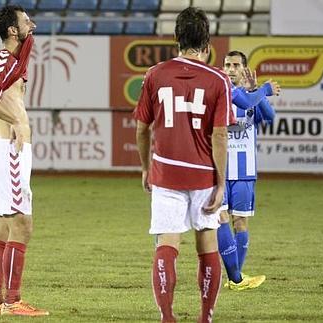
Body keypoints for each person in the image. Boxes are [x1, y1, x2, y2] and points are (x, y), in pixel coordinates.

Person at [134, 7, 233, 323]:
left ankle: (167, 316)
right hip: (204, 176)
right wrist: (221, 184)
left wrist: (146, 168)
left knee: (166, 245)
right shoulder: (219, 79)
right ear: (207, 44)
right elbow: (219, 134)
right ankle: (206, 317)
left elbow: (141, 127)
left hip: (166, 172)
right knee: (207, 247)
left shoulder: (155, 74)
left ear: (176, 39)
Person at [0, 5, 48, 317]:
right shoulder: (3, 58)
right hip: (10, 151)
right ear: (12, 31)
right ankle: (12, 301)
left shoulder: (15, 58)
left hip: (5, 150)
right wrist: (15, 122)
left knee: (2, 229)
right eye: (25, 19)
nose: (32, 22)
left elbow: (30, 37)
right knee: (22, 226)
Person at [217, 51, 280, 290]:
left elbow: (270, 116)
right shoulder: (222, 93)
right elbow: (243, 101)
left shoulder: (249, 97)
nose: (231, 69)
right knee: (220, 220)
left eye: (235, 65)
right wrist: (261, 89)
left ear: (244, 68)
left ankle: (236, 277)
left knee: (240, 222)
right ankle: (236, 277)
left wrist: (257, 92)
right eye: (227, 64)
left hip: (244, 171)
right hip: (220, 169)